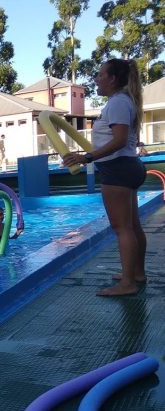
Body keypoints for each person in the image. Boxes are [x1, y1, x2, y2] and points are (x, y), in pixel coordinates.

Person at [62, 58, 147, 296]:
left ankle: (128, 283)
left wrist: (86, 158)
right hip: (126, 166)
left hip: (118, 168)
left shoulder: (118, 103)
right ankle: (136, 273)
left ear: (112, 79)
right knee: (132, 226)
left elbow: (119, 140)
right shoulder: (120, 102)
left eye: (100, 75)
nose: (96, 79)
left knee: (122, 228)